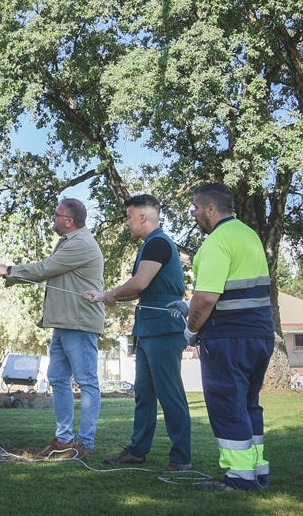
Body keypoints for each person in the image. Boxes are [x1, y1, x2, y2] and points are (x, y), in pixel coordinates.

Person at [0, 198, 104, 458]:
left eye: (56, 215)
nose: (53, 219)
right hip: (63, 323)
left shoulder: (81, 243)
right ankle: (63, 440)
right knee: (58, 379)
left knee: (86, 382)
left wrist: (6, 270)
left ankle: (85, 444)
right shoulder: (70, 241)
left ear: (69, 221)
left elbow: (45, 269)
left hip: (80, 324)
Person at [83, 194, 191, 471]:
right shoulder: (151, 244)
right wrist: (110, 296)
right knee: (144, 393)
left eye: (130, 217)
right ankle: (138, 450)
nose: (128, 223)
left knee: (170, 394)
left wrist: (109, 295)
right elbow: (142, 288)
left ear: (143, 216)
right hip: (148, 329)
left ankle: (181, 458)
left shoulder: (157, 243)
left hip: (164, 330)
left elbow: (139, 283)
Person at [184, 182, 274, 492]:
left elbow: (206, 298)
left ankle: (238, 478)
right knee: (249, 405)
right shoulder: (249, 235)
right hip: (260, 334)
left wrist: (191, 330)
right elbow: (238, 290)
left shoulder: (215, 243)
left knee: (226, 404)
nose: (194, 214)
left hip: (227, 337)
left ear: (210, 209)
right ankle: (256, 470)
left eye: (196, 208)